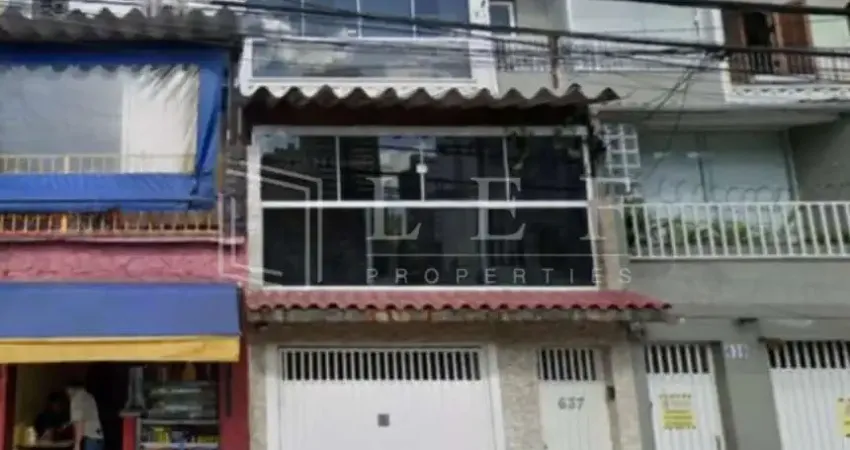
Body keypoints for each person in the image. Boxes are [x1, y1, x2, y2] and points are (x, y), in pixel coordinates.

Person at [66, 381, 103, 450]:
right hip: (98, 437)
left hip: (89, 440)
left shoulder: (76, 399)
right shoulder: (89, 396)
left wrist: (77, 444)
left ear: (70, 389)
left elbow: (80, 423)